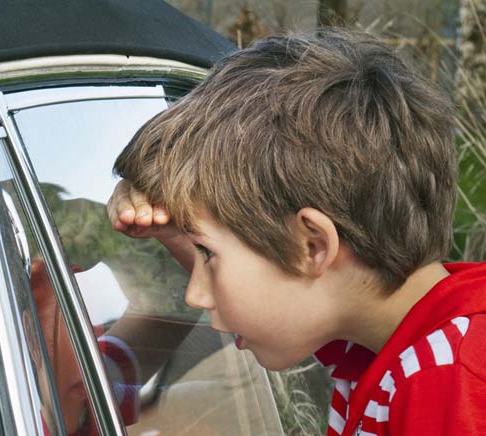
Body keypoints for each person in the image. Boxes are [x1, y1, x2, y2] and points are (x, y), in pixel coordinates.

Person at [106, 30, 486, 436]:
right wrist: (181, 228)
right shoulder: (375, 341)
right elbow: (265, 285)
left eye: (208, 255)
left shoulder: (448, 384)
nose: (195, 295)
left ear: (313, 245)